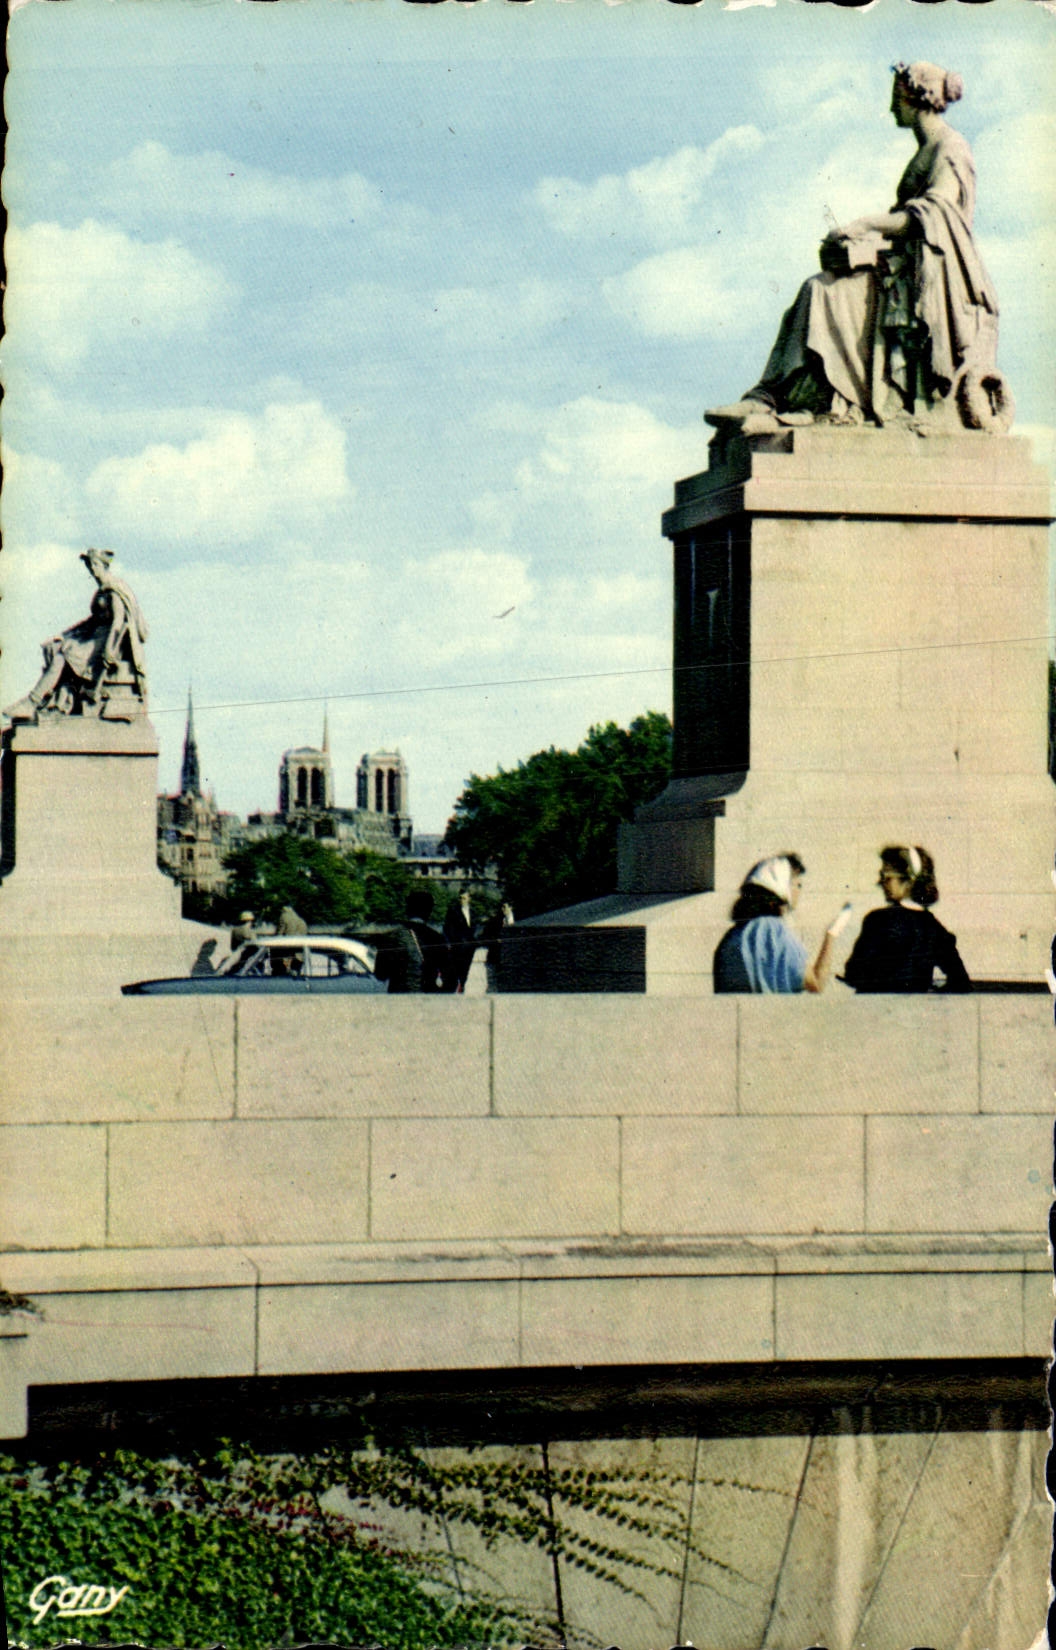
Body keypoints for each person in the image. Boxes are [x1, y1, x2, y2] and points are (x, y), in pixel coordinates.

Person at [708, 62, 1009, 434]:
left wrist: (866, 224)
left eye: (895, 100)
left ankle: (824, 401)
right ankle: (773, 398)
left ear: (913, 97)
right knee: (819, 288)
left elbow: (933, 215)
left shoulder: (951, 148)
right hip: (901, 267)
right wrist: (864, 242)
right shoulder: (929, 147)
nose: (891, 109)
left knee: (820, 291)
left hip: (928, 280)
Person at [5, 547, 149, 722]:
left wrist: (109, 649)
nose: (92, 568)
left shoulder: (114, 590)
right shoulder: (101, 591)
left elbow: (118, 622)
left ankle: (33, 702)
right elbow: (91, 621)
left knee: (63, 655)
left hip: (106, 641)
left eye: (95, 564)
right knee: (56, 646)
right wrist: (65, 635)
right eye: (89, 565)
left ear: (103, 565)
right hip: (94, 637)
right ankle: (53, 701)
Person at [841, 846, 970, 993]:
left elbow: (853, 974)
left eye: (887, 877)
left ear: (908, 882)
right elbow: (960, 981)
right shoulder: (935, 928)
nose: (881, 883)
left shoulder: (878, 920)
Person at [713, 854, 849, 994]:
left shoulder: (732, 936)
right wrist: (831, 935)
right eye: (797, 885)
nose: (799, 891)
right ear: (783, 886)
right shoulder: (774, 932)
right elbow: (816, 983)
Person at [443, 889, 477, 994]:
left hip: (469, 947)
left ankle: (462, 987)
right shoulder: (453, 911)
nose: (462, 900)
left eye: (464, 898)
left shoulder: (473, 912)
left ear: (469, 899)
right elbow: (448, 928)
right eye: (461, 898)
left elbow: (474, 928)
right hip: (458, 946)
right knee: (457, 970)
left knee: (465, 971)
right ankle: (457, 988)